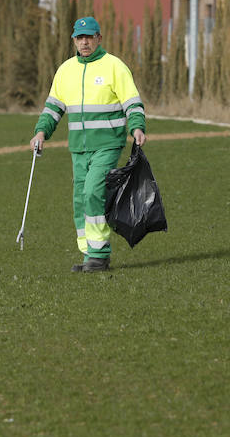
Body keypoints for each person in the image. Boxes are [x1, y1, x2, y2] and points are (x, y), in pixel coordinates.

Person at [30, 16, 147, 273]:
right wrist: (41, 133)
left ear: (99, 38)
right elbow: (52, 109)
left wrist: (137, 126)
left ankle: (99, 254)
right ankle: (89, 255)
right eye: (80, 38)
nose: (84, 42)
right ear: (74, 40)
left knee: (94, 191)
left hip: (107, 144)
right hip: (78, 149)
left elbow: (132, 102)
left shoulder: (114, 66)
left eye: (89, 37)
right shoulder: (65, 70)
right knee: (81, 200)